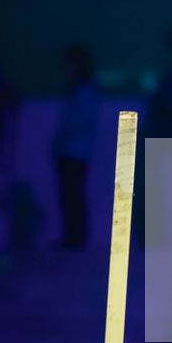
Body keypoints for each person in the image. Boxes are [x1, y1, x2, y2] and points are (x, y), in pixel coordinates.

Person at [52, 44, 101, 249]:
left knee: (73, 195)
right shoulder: (77, 90)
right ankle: (73, 238)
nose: (66, 68)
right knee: (70, 195)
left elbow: (81, 120)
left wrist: (64, 135)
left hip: (75, 152)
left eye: (70, 63)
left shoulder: (85, 91)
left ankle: (75, 239)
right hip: (70, 151)